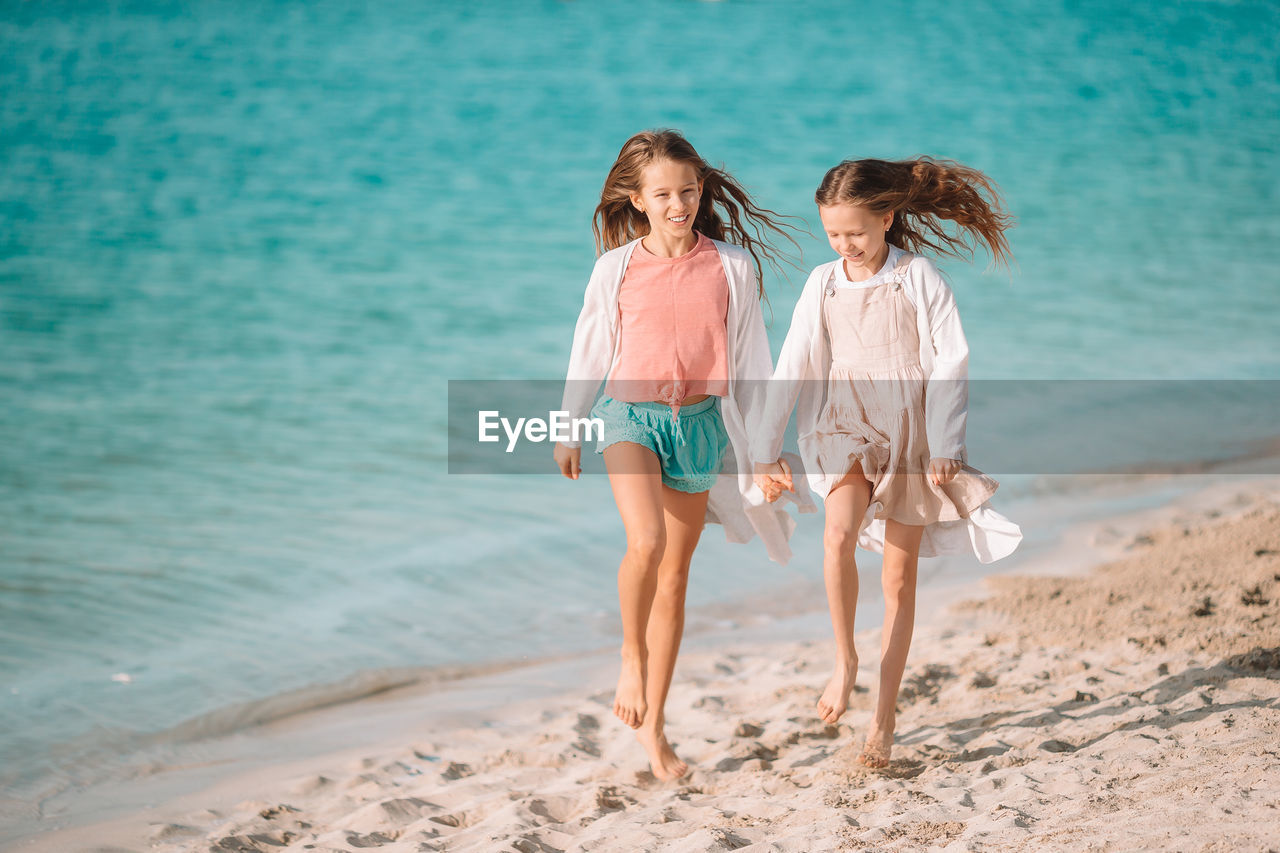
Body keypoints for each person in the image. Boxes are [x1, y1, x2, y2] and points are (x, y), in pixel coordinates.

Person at [555, 130, 810, 780]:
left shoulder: (732, 266)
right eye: (664, 194)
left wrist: (763, 451)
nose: (679, 204)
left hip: (699, 428)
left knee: (674, 578)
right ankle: (630, 654)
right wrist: (569, 424)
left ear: (701, 192)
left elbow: (751, 360)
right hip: (628, 418)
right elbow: (590, 344)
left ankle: (655, 729)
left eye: (689, 191)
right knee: (645, 542)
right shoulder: (615, 268)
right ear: (637, 200)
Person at [752, 157, 1023, 769]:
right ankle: (844, 658)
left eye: (856, 232)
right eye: (833, 234)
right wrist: (763, 450)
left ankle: (883, 716)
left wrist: (946, 442)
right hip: (843, 421)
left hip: (911, 432)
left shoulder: (916, 276)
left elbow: (951, 358)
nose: (845, 245)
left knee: (898, 581)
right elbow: (793, 361)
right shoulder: (823, 282)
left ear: (887, 217)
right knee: (838, 536)